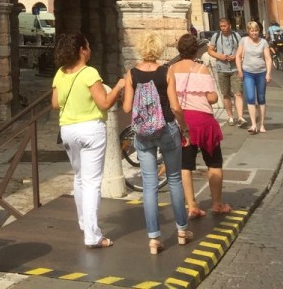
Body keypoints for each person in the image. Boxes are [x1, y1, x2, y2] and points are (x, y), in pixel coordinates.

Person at [52, 32, 125, 249]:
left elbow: (55, 103)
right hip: (90, 130)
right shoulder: (89, 73)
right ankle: (93, 236)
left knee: (79, 178)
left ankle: (84, 222)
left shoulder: (60, 73)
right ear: (82, 51)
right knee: (92, 182)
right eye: (88, 46)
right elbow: (104, 103)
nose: (90, 50)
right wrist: (119, 87)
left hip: (68, 130)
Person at [122, 31, 192, 255]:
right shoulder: (166, 72)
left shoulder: (131, 74)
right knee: (174, 179)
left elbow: (126, 108)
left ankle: (154, 238)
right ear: (159, 49)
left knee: (149, 184)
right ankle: (182, 231)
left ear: (141, 49)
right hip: (167, 128)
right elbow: (176, 107)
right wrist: (185, 128)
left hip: (143, 133)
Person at [172, 33, 232, 217]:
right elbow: (212, 97)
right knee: (214, 162)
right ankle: (217, 204)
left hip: (183, 121)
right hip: (203, 121)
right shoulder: (201, 69)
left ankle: (192, 206)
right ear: (195, 50)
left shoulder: (172, 69)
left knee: (185, 165)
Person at [207, 18, 245, 127]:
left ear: (229, 25)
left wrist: (236, 56)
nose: (223, 28)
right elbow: (210, 50)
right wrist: (219, 56)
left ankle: (240, 117)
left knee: (238, 93)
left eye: (225, 26)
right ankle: (230, 117)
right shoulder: (216, 36)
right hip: (221, 69)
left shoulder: (236, 36)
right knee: (226, 94)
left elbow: (242, 49)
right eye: (221, 26)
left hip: (235, 69)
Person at [235, 21, 272, 133]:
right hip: (248, 73)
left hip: (261, 73)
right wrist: (239, 70)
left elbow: (268, 59)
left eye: (256, 31)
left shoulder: (263, 42)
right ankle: (253, 124)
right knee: (250, 97)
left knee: (261, 98)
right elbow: (238, 56)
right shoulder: (244, 41)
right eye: (252, 31)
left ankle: (262, 125)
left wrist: (268, 73)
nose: (254, 33)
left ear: (259, 31)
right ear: (248, 31)